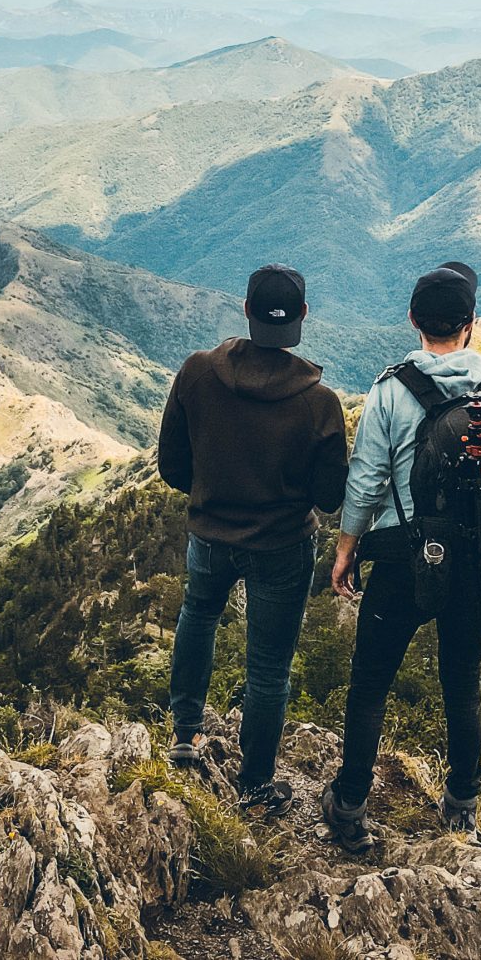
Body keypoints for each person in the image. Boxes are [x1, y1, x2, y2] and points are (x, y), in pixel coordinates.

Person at [320, 264, 481, 850]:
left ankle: (351, 806)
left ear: (413, 321)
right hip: (478, 563)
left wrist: (345, 548)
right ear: (470, 325)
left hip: (404, 563)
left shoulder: (390, 392)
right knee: (462, 680)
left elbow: (364, 483)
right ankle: (461, 807)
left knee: (371, 683)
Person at [158, 263, 348, 812]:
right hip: (282, 547)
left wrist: (213, 487)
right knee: (268, 666)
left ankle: (186, 733)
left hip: (210, 533)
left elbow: (172, 465)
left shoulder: (197, 373)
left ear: (245, 309)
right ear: (303, 318)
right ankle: (256, 783)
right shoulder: (319, 403)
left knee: (199, 614)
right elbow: (330, 494)